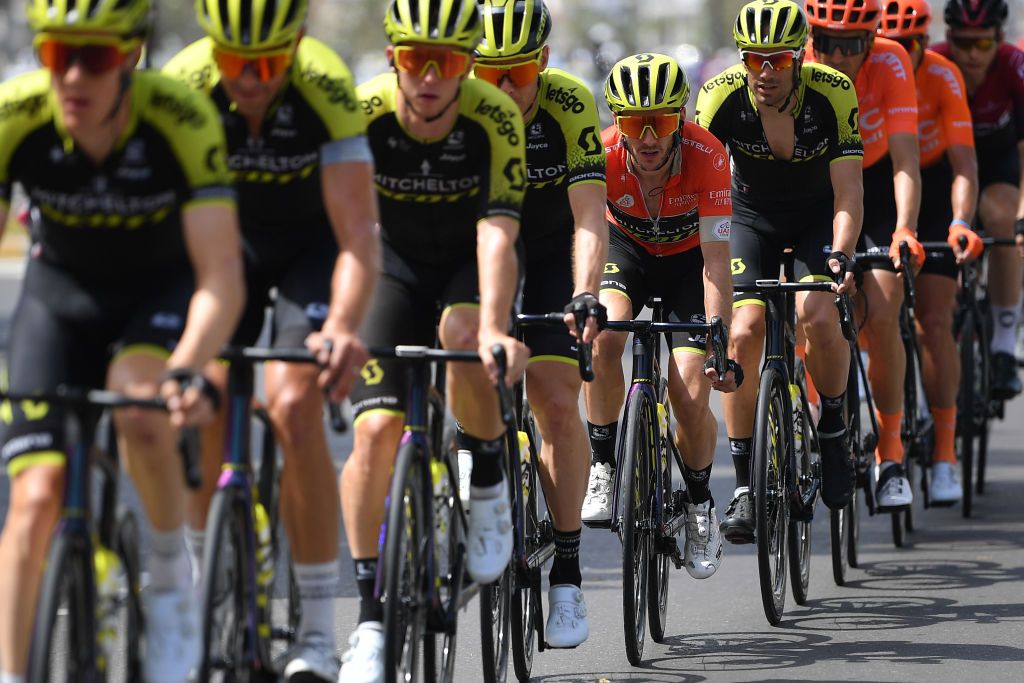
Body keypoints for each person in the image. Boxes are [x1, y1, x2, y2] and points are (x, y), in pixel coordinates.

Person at [0, 1, 245, 682]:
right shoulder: (15, 114)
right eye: (57, 55)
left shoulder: (180, 118)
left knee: (142, 410)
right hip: (61, 298)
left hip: (155, 295)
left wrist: (192, 368)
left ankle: (169, 580)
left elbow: (222, 274)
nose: (72, 77)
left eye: (96, 57)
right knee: (33, 496)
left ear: (132, 56)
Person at [163, 0, 381, 678]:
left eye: (266, 64)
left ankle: (317, 631)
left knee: (294, 404)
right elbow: (161, 236)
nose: (249, 80)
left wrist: (343, 325)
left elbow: (357, 237)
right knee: (202, 395)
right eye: (234, 62)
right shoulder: (182, 84)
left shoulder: (326, 87)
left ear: (297, 44)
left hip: (311, 249)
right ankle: (211, 579)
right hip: (222, 247)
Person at [337, 0, 529, 679]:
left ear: (467, 65)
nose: (427, 75)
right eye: (414, 58)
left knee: (462, 333)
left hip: (464, 265)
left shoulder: (493, 116)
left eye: (444, 61)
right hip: (389, 264)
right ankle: (367, 617)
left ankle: (488, 480)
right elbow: (346, 230)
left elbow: (497, 231)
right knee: (372, 434)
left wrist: (498, 327)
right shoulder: (362, 114)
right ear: (393, 56)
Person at [696, 0, 861, 544]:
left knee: (815, 311)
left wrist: (840, 253)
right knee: (743, 330)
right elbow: (702, 187)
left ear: (799, 56)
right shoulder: (720, 96)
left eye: (779, 61)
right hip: (750, 217)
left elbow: (849, 193)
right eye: (754, 59)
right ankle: (744, 483)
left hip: (818, 215)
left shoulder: (833, 91)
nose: (765, 73)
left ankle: (833, 427)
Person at [472, 0, 607, 647]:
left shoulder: (569, 105)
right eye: (488, 72)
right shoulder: (461, 109)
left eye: (517, 73)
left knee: (556, 402)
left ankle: (569, 576)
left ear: (543, 64)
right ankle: (480, 472)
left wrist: (584, 292)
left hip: (553, 253)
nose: (502, 88)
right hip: (477, 253)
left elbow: (588, 216)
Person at [582, 52, 739, 580]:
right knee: (602, 338)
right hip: (625, 253)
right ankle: (603, 462)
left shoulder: (708, 155)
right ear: (617, 122)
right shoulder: (601, 155)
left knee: (691, 392)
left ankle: (698, 502)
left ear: (681, 117)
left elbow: (718, 263)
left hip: (688, 268)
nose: (648, 136)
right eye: (633, 122)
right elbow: (583, 236)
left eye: (662, 121)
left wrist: (720, 341)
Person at [805, 0, 924, 511]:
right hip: (814, 191)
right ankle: (807, 412)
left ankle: (891, 450)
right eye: (825, 40)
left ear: (872, 41)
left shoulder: (893, 60)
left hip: (872, 185)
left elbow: (905, 160)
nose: (836, 54)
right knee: (802, 309)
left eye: (851, 44)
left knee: (886, 301)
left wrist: (903, 229)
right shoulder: (798, 65)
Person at [878, 0, 980, 505]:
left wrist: (961, 221)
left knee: (934, 322)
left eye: (912, 45)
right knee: (865, 302)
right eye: (891, 44)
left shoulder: (942, 74)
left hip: (936, 186)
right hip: (878, 184)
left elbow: (964, 161)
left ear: (924, 42)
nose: (902, 54)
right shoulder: (860, 68)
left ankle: (945, 453)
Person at [934, 0, 1024, 400]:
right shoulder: (935, 64)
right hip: (944, 168)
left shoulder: (1014, 66)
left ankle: (1004, 342)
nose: (973, 54)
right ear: (949, 38)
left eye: (983, 44)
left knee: (1002, 220)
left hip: (999, 162)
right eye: (964, 44)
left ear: (999, 40)